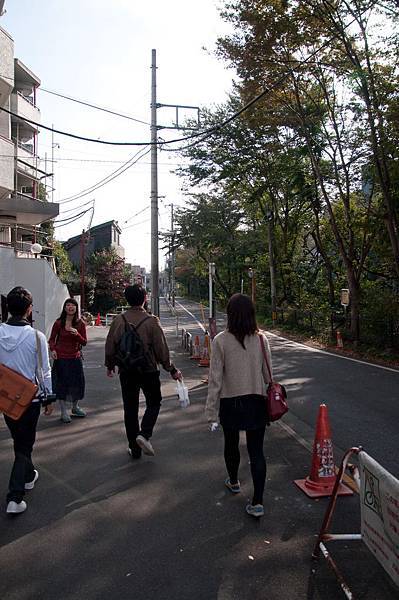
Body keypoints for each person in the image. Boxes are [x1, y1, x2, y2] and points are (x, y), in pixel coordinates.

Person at [205, 293, 272, 518]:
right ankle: (258, 502)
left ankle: (234, 481)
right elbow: (268, 375)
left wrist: (211, 413)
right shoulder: (262, 340)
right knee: (257, 451)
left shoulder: (220, 341)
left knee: (231, 444)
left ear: (230, 315)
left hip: (230, 401)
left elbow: (215, 379)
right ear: (252, 314)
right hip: (256, 401)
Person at [105, 284, 182, 458]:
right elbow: (161, 349)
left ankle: (135, 448)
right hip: (148, 370)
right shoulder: (152, 321)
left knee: (130, 409)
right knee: (154, 402)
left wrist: (110, 365)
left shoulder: (119, 320)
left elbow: (110, 345)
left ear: (127, 299)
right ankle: (144, 434)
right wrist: (171, 369)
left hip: (127, 370)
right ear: (144, 298)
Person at [0, 286, 55, 514]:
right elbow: (45, 370)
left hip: (5, 397)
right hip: (29, 399)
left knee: (20, 441)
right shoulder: (36, 336)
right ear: (29, 309)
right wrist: (48, 397)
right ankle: (15, 496)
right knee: (24, 445)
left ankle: (30, 475)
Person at [49, 298, 87, 423]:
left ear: (76, 308)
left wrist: (77, 334)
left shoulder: (80, 323)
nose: (70, 307)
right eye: (68, 305)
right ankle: (63, 411)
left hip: (74, 358)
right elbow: (51, 340)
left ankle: (75, 407)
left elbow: (84, 342)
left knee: (77, 383)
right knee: (62, 385)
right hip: (61, 358)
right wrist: (53, 349)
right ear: (65, 308)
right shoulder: (59, 323)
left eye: (73, 305)